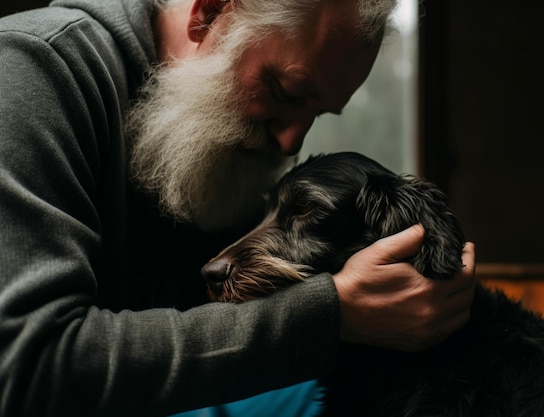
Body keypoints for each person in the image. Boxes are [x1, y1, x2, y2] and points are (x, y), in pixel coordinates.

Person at [0, 0, 476, 416]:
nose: (292, 140)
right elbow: (25, 367)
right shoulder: (29, 71)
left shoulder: (224, 155)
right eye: (286, 93)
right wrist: (330, 316)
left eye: (317, 115)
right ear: (209, 14)